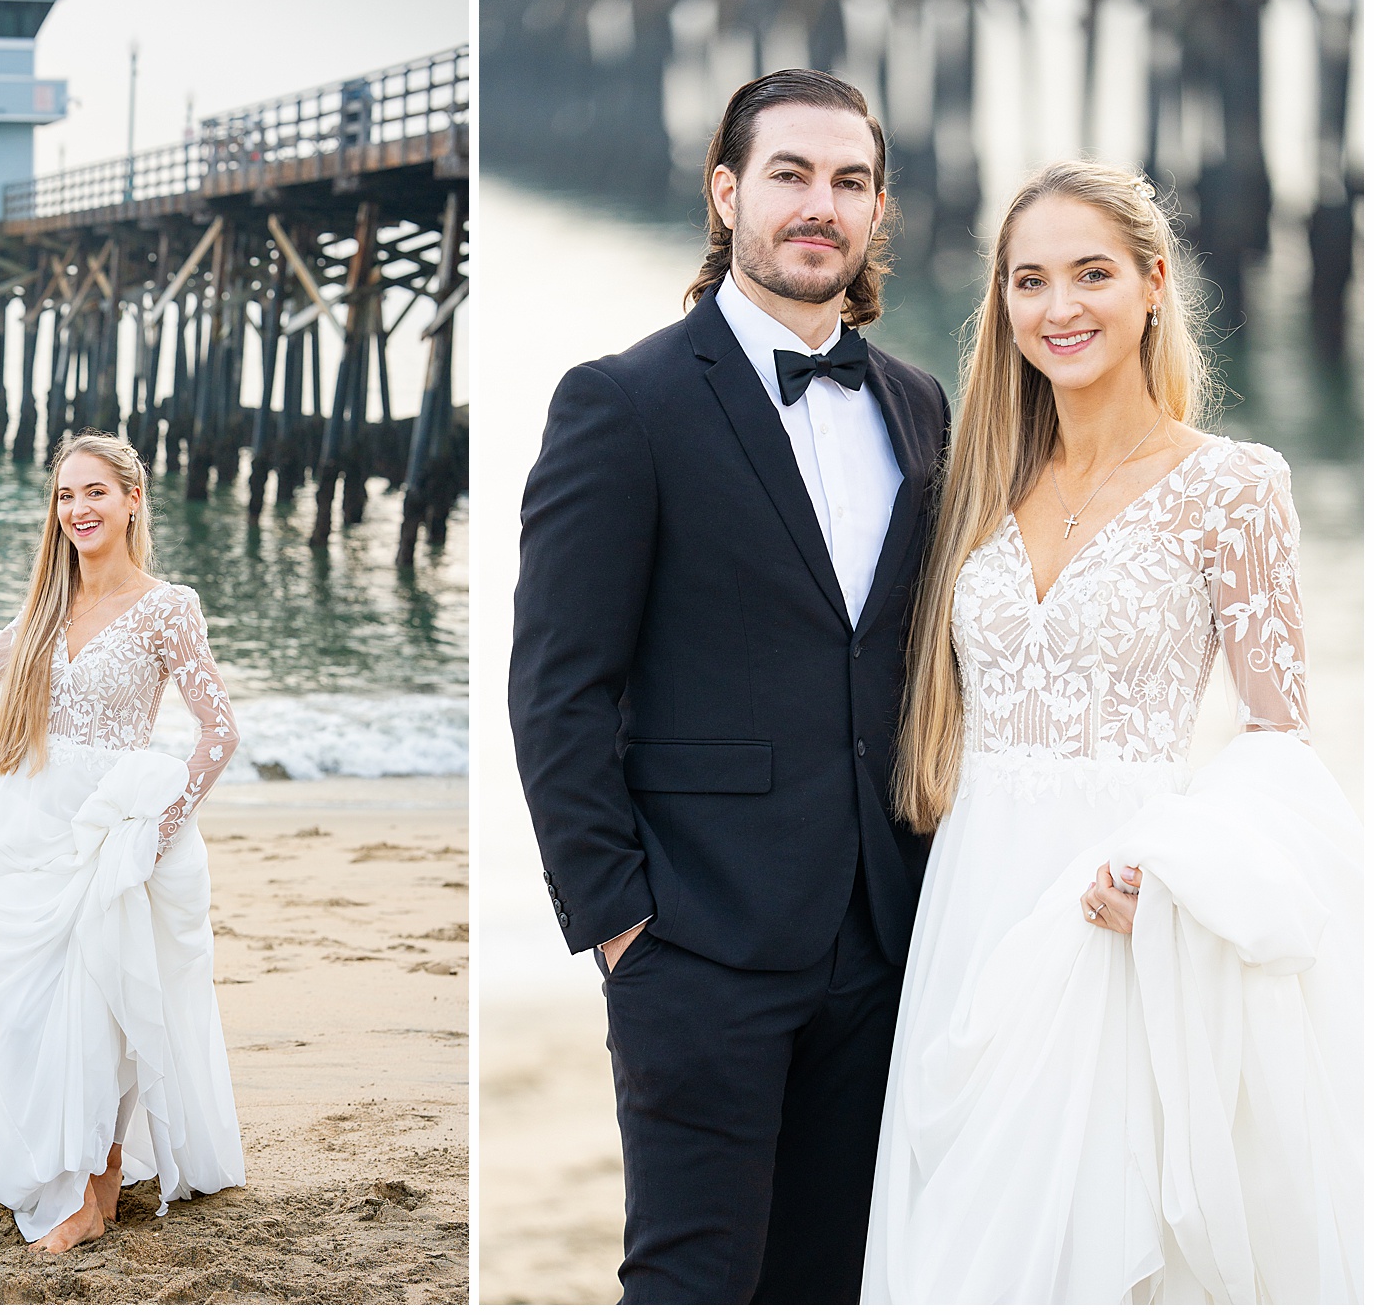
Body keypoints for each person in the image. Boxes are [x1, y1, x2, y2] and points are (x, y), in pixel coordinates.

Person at [864, 161, 1362, 1303]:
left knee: (1104, 1242)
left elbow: (1277, 740)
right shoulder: (976, 483)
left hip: (1118, 903)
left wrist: (1185, 889)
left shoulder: (1235, 486)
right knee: (959, 1233)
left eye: (1091, 273)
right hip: (970, 898)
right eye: (1029, 281)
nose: (1060, 307)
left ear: (1152, 281)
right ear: (1003, 304)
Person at [509, 70, 951, 1303]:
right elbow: (557, 687)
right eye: (790, 175)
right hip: (695, 945)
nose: (821, 205)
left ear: (875, 212)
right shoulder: (624, 401)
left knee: (836, 1278)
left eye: (849, 182)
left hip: (880, 938)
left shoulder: (919, 407)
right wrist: (621, 928)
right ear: (727, 192)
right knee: (694, 1278)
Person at [0, 431, 244, 1254]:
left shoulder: (170, 606)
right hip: (24, 825)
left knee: (104, 1008)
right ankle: (53, 1164)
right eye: (65, 496)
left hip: (110, 829)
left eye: (95, 492)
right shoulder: (46, 601)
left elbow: (219, 730)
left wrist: (159, 827)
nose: (78, 509)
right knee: (29, 1015)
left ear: (133, 500)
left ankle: (95, 1194)